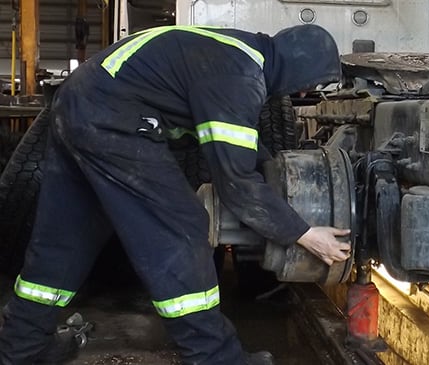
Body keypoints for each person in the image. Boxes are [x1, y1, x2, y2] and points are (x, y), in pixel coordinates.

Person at [0, 24, 351, 365]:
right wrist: (304, 233)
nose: (303, 94)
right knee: (181, 228)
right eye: (307, 86)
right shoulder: (240, 76)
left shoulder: (236, 53)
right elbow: (237, 184)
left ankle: (23, 345)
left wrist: (272, 165)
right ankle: (216, 357)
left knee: (64, 238)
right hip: (111, 118)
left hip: (76, 102)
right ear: (298, 68)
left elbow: (241, 145)